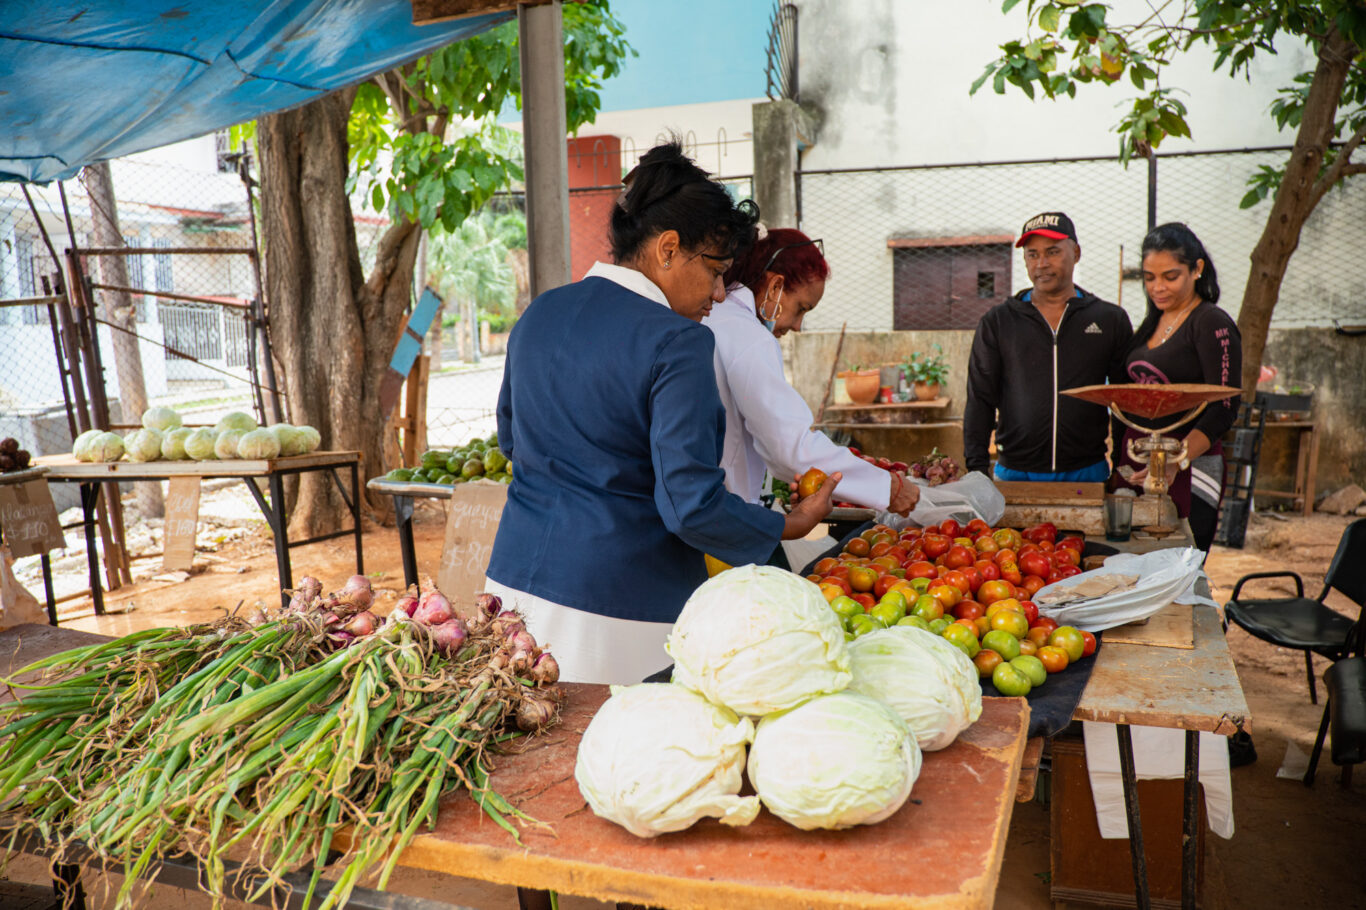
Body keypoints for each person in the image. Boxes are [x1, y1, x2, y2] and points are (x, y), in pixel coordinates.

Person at [484, 142, 841, 685]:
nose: (720, 295)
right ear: (668, 249)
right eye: (717, 271)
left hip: (509, 591)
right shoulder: (678, 342)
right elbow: (690, 506)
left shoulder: (542, 311)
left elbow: (512, 440)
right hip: (620, 610)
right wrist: (787, 524)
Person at [702, 227, 920, 516]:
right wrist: (886, 486)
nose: (797, 326)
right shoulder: (748, 336)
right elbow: (791, 448)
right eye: (801, 308)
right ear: (775, 286)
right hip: (721, 517)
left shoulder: (716, 316)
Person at [964, 212, 1134, 482]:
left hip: (1088, 471)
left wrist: (1122, 468)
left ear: (1076, 253)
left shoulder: (1109, 319)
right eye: (1032, 255)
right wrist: (976, 470)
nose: (1042, 264)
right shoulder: (999, 321)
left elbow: (1125, 400)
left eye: (1052, 252)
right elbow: (980, 398)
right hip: (1014, 473)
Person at [1120, 222, 1242, 553]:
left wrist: (1175, 461)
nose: (1158, 287)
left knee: (1176, 568)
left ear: (1197, 269)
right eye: (1149, 278)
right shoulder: (1151, 322)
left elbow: (1225, 407)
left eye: (1170, 277)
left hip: (1189, 470)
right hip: (1135, 469)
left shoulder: (1211, 323)